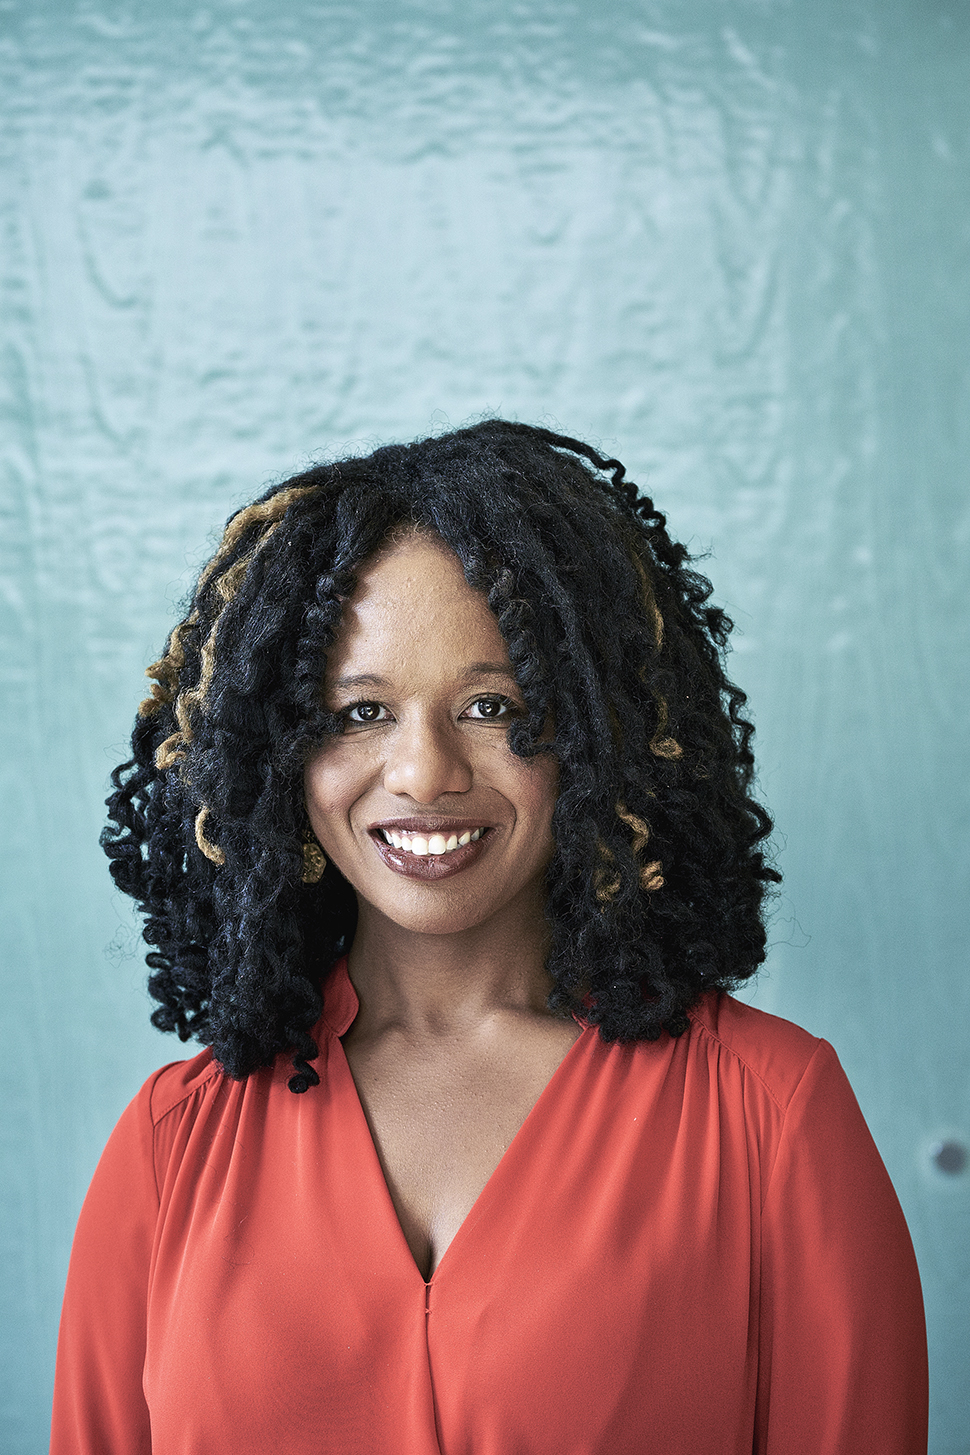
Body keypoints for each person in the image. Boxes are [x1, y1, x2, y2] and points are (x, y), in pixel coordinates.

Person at [51, 420, 927, 1454]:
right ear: (276, 754)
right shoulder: (170, 1147)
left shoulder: (768, 1115)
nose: (424, 773)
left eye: (491, 705)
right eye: (359, 712)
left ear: (602, 735)